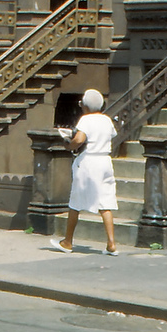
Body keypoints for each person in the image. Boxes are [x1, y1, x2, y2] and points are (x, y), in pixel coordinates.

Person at [50, 88, 118, 255]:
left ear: (85, 106)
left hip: (89, 161)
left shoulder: (86, 119)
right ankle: (111, 244)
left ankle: (67, 241)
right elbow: (112, 135)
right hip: (105, 161)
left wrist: (68, 143)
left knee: (76, 202)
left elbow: (79, 140)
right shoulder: (107, 120)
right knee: (106, 202)